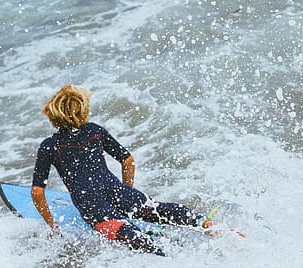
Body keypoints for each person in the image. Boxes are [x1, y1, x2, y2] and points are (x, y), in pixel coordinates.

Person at [31, 84, 213, 255]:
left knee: (129, 234)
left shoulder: (49, 146)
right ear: (83, 109)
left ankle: (168, 258)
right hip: (116, 189)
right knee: (157, 210)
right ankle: (205, 223)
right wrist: (127, 190)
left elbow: (37, 192)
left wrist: (52, 225)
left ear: (52, 113)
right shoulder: (95, 131)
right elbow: (128, 161)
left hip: (89, 201)